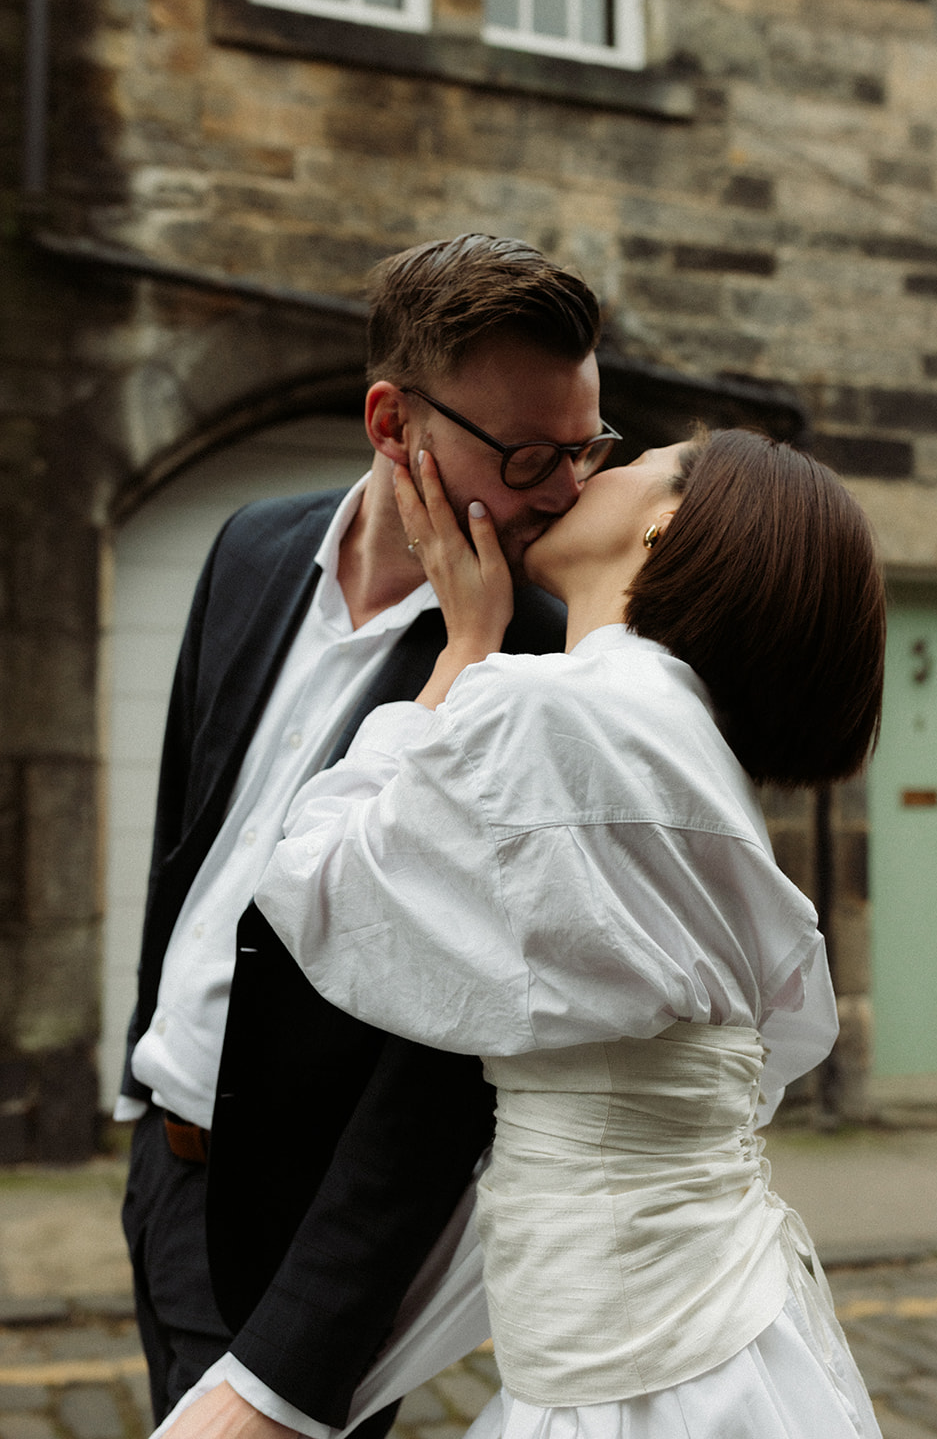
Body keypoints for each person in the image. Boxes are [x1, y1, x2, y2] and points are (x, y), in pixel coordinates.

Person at [250, 424, 888, 1438]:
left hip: (633, 1375)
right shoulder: (683, 747)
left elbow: (312, 882)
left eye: (628, 462)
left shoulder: (546, 712)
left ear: (662, 523)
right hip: (708, 1327)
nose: (588, 473)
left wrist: (465, 649)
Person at [118, 233, 621, 1439]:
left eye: (586, 447)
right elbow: (189, 835)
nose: (565, 490)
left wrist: (301, 1356)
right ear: (393, 424)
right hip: (161, 1166)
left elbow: (449, 1066)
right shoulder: (249, 546)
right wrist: (140, 1077)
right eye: (529, 456)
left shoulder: (550, 662)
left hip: (313, 1230)